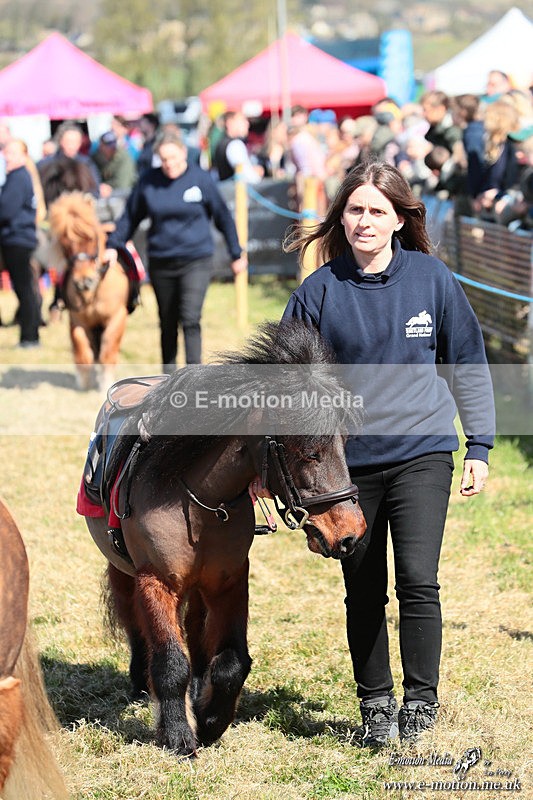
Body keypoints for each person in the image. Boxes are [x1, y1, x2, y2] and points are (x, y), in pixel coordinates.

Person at [281, 160, 495, 747]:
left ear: (400, 218)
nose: (365, 221)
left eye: (378, 211)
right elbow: (287, 387)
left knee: (418, 580)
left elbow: (468, 362)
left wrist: (478, 444)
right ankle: (375, 702)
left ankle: (420, 701)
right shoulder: (317, 292)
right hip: (346, 470)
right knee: (364, 586)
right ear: (340, 217)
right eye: (355, 210)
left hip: (424, 452)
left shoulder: (432, 279)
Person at [105, 130, 247, 370]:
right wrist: (112, 245)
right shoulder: (149, 181)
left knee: (190, 318)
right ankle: (167, 377)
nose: (169, 164)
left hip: (196, 259)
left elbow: (222, 216)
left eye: (173, 158)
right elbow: (130, 217)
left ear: (183, 153)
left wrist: (236, 253)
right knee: (168, 321)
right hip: (162, 260)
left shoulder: (200, 179)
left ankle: (194, 376)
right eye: (163, 160)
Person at [0, 139, 40, 347]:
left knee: (24, 289)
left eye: (12, 152)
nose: (7, 156)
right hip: (17, 238)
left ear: (23, 156)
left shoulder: (18, 177)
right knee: (24, 288)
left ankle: (30, 336)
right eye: (6, 152)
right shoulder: (17, 176)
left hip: (18, 239)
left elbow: (6, 210)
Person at [211, 111, 263, 184]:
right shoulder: (235, 145)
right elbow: (249, 177)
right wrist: (257, 173)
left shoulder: (221, 143)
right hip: (237, 193)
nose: (247, 123)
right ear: (230, 123)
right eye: (242, 120)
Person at [90, 130, 136, 198]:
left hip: (124, 194)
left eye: (113, 145)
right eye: (107, 145)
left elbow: (122, 184)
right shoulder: (95, 157)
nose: (112, 148)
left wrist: (105, 187)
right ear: (101, 146)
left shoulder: (123, 157)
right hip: (102, 193)